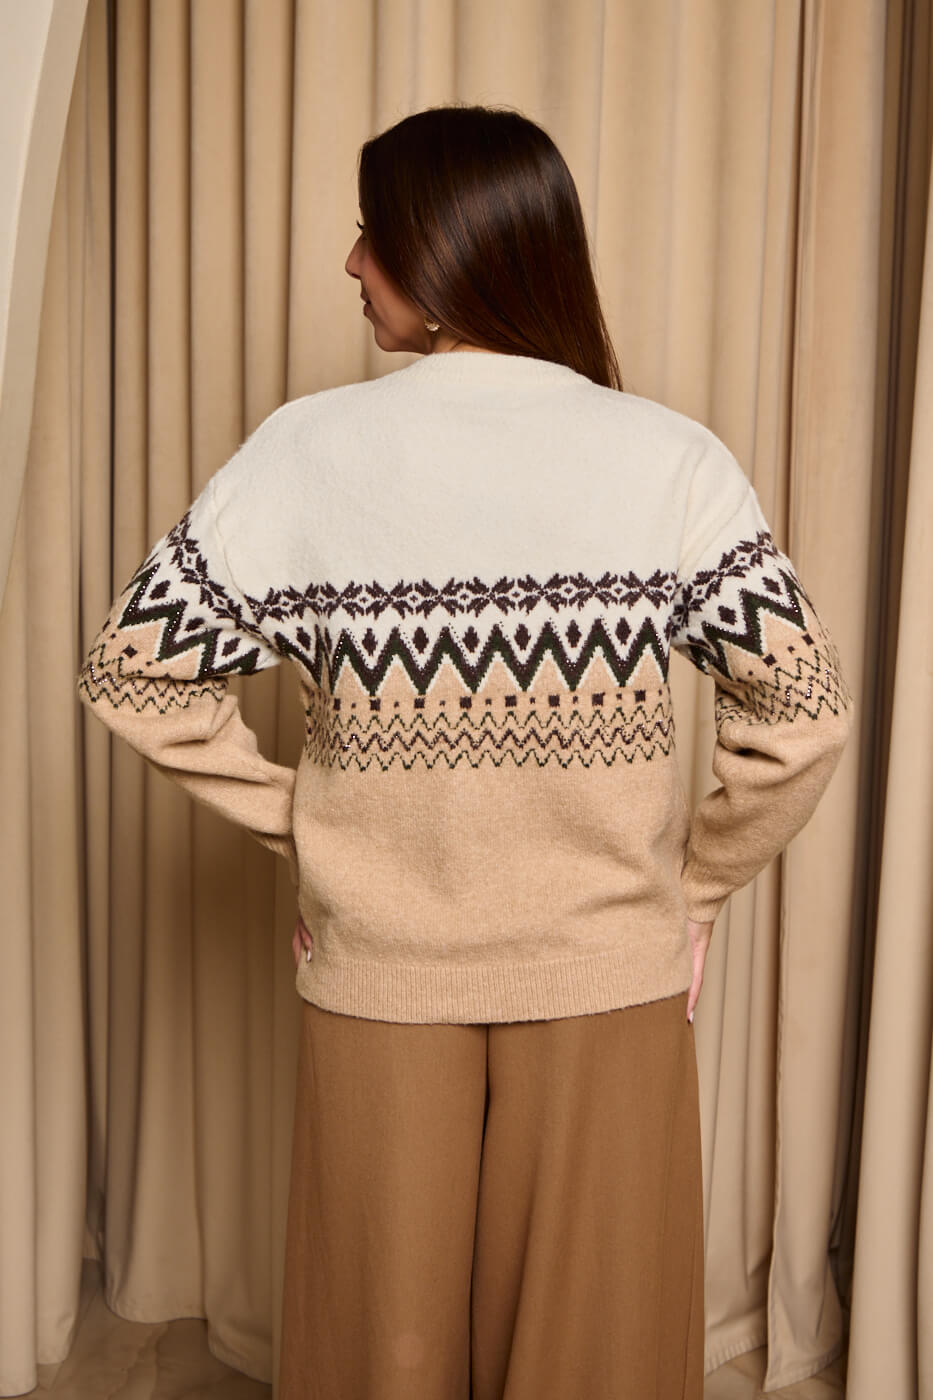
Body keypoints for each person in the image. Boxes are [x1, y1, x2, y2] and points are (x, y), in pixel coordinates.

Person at [77, 103, 853, 1400]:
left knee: (376, 1363)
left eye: (370, 233)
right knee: (598, 1367)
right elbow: (804, 713)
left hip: (382, 979)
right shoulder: (670, 457)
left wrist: (310, 826)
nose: (350, 262)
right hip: (609, 979)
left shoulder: (308, 450)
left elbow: (130, 670)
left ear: (439, 253)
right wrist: (697, 887)